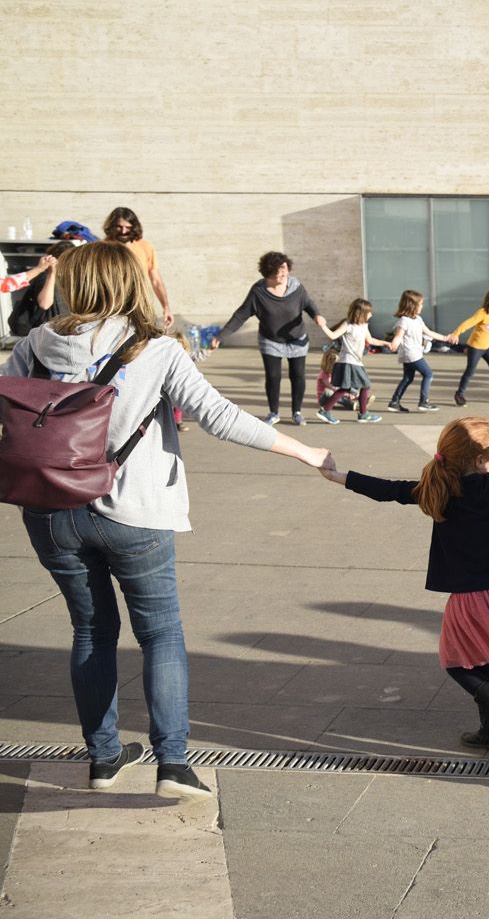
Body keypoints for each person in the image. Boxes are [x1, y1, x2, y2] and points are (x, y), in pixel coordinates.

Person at [5, 241, 331, 799]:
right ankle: (173, 764)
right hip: (136, 511)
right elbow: (219, 417)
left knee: (90, 629)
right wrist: (307, 453)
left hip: (50, 511)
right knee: (159, 633)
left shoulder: (34, 344)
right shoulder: (153, 349)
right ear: (131, 283)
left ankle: (105, 758)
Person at [321, 416, 489, 755]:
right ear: (478, 460)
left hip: (469, 595)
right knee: (471, 657)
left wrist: (336, 476)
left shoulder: (437, 489)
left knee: (456, 662)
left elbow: (387, 490)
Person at [216, 251, 336, 426]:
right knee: (273, 376)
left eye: (285, 269)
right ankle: (273, 412)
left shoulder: (296, 287)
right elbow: (240, 315)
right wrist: (220, 336)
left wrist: (317, 315)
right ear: (268, 272)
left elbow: (308, 304)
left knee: (298, 376)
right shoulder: (258, 292)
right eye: (278, 271)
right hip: (270, 339)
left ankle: (297, 412)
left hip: (297, 338)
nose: (283, 274)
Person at [317, 298, 388, 424]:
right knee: (365, 385)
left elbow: (370, 340)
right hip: (348, 362)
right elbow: (332, 336)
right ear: (361, 313)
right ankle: (363, 414)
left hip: (356, 361)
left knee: (345, 389)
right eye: (369, 312)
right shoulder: (348, 325)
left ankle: (326, 410)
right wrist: (322, 325)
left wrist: (385, 343)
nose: (371, 315)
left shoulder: (364, 326)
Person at [385, 290, 455, 413]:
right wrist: (393, 344)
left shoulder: (418, 319)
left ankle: (394, 402)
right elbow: (398, 335)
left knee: (408, 378)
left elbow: (428, 332)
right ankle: (424, 402)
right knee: (428, 374)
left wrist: (445, 338)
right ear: (412, 305)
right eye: (420, 304)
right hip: (411, 353)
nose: (422, 306)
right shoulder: (404, 321)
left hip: (413, 353)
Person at [103, 207, 172, 327]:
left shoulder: (145, 247)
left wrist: (166, 307)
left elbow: (156, 281)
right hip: (111, 306)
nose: (123, 231)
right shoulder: (102, 248)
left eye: (128, 227)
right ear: (112, 226)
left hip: (139, 305)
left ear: (134, 227)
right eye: (119, 227)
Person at [6, 245, 68, 336]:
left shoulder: (69, 278)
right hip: (44, 334)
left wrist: (39, 269)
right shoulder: (45, 278)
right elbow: (45, 304)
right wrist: (45, 271)